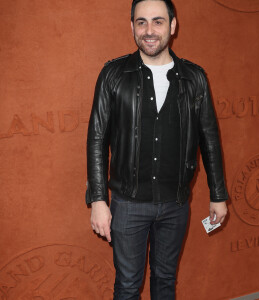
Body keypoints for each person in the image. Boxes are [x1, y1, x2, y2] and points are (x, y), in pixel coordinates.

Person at [86, 0, 228, 299]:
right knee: (127, 285)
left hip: (176, 205)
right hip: (127, 205)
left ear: (172, 26)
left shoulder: (194, 78)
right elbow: (97, 139)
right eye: (141, 22)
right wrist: (99, 199)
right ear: (132, 27)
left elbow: (210, 140)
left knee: (165, 281)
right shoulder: (113, 75)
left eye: (158, 21)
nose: (149, 30)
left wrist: (218, 196)